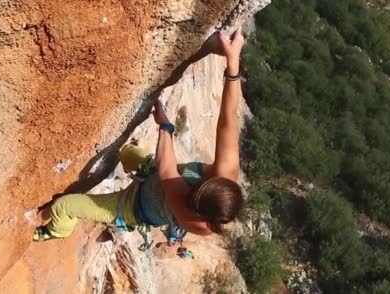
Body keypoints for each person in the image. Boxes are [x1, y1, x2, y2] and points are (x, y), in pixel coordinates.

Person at [33, 28, 246, 242]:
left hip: (133, 208)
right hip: (151, 176)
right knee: (126, 152)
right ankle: (128, 170)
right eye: (199, 186)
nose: (190, 188)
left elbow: (167, 171)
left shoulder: (196, 221)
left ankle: (57, 231)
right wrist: (233, 61)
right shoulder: (226, 170)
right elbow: (228, 119)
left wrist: (166, 127)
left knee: (64, 206)